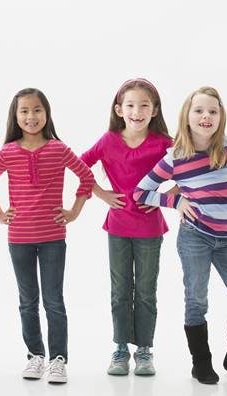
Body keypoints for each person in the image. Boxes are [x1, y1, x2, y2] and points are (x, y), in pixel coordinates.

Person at [134, 87, 227, 384]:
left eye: (213, 111)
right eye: (199, 111)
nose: (206, 116)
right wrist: (176, 201)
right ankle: (201, 363)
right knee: (197, 299)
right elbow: (141, 192)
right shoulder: (175, 158)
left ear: (221, 117)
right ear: (187, 117)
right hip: (196, 237)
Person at [0, 88, 94, 384]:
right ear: (15, 117)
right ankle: (35, 356)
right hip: (19, 239)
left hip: (53, 237)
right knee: (27, 301)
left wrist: (74, 211)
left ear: (47, 113)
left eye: (37, 110)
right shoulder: (7, 152)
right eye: (24, 111)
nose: (31, 116)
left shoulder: (59, 149)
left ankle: (58, 359)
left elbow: (87, 177)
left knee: (53, 300)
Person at [80, 78, 173, 376]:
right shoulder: (108, 140)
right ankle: (120, 347)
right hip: (118, 227)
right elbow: (80, 165)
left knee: (146, 291)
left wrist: (165, 196)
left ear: (155, 110)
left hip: (150, 229)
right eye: (130, 105)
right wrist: (102, 193)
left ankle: (144, 350)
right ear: (119, 109)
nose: (137, 111)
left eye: (144, 105)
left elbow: (191, 169)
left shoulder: (163, 143)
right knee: (120, 291)